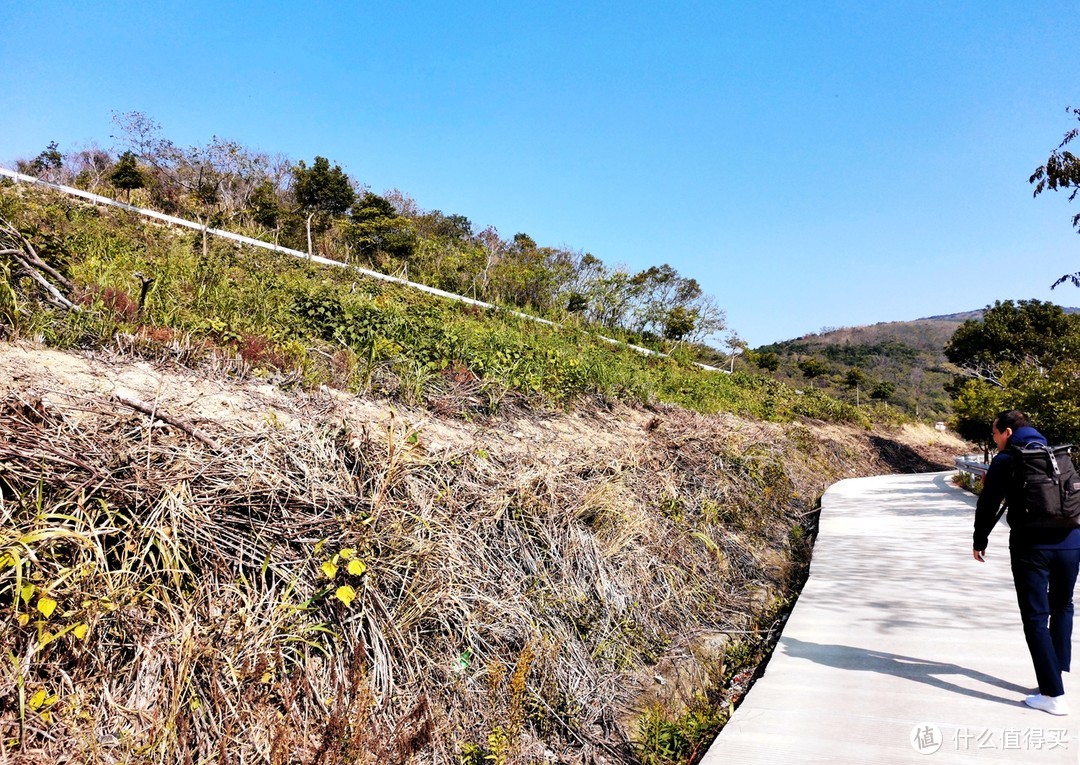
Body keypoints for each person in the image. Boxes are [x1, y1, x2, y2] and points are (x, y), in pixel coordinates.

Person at [973, 410, 1080, 715]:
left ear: (1007, 432)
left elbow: (988, 504)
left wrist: (979, 540)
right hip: (1072, 543)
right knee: (1063, 606)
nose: (995, 441)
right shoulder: (1058, 454)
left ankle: (1053, 695)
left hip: (1031, 547)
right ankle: (1055, 674)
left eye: (995, 435)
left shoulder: (1008, 460)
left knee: (1035, 617)